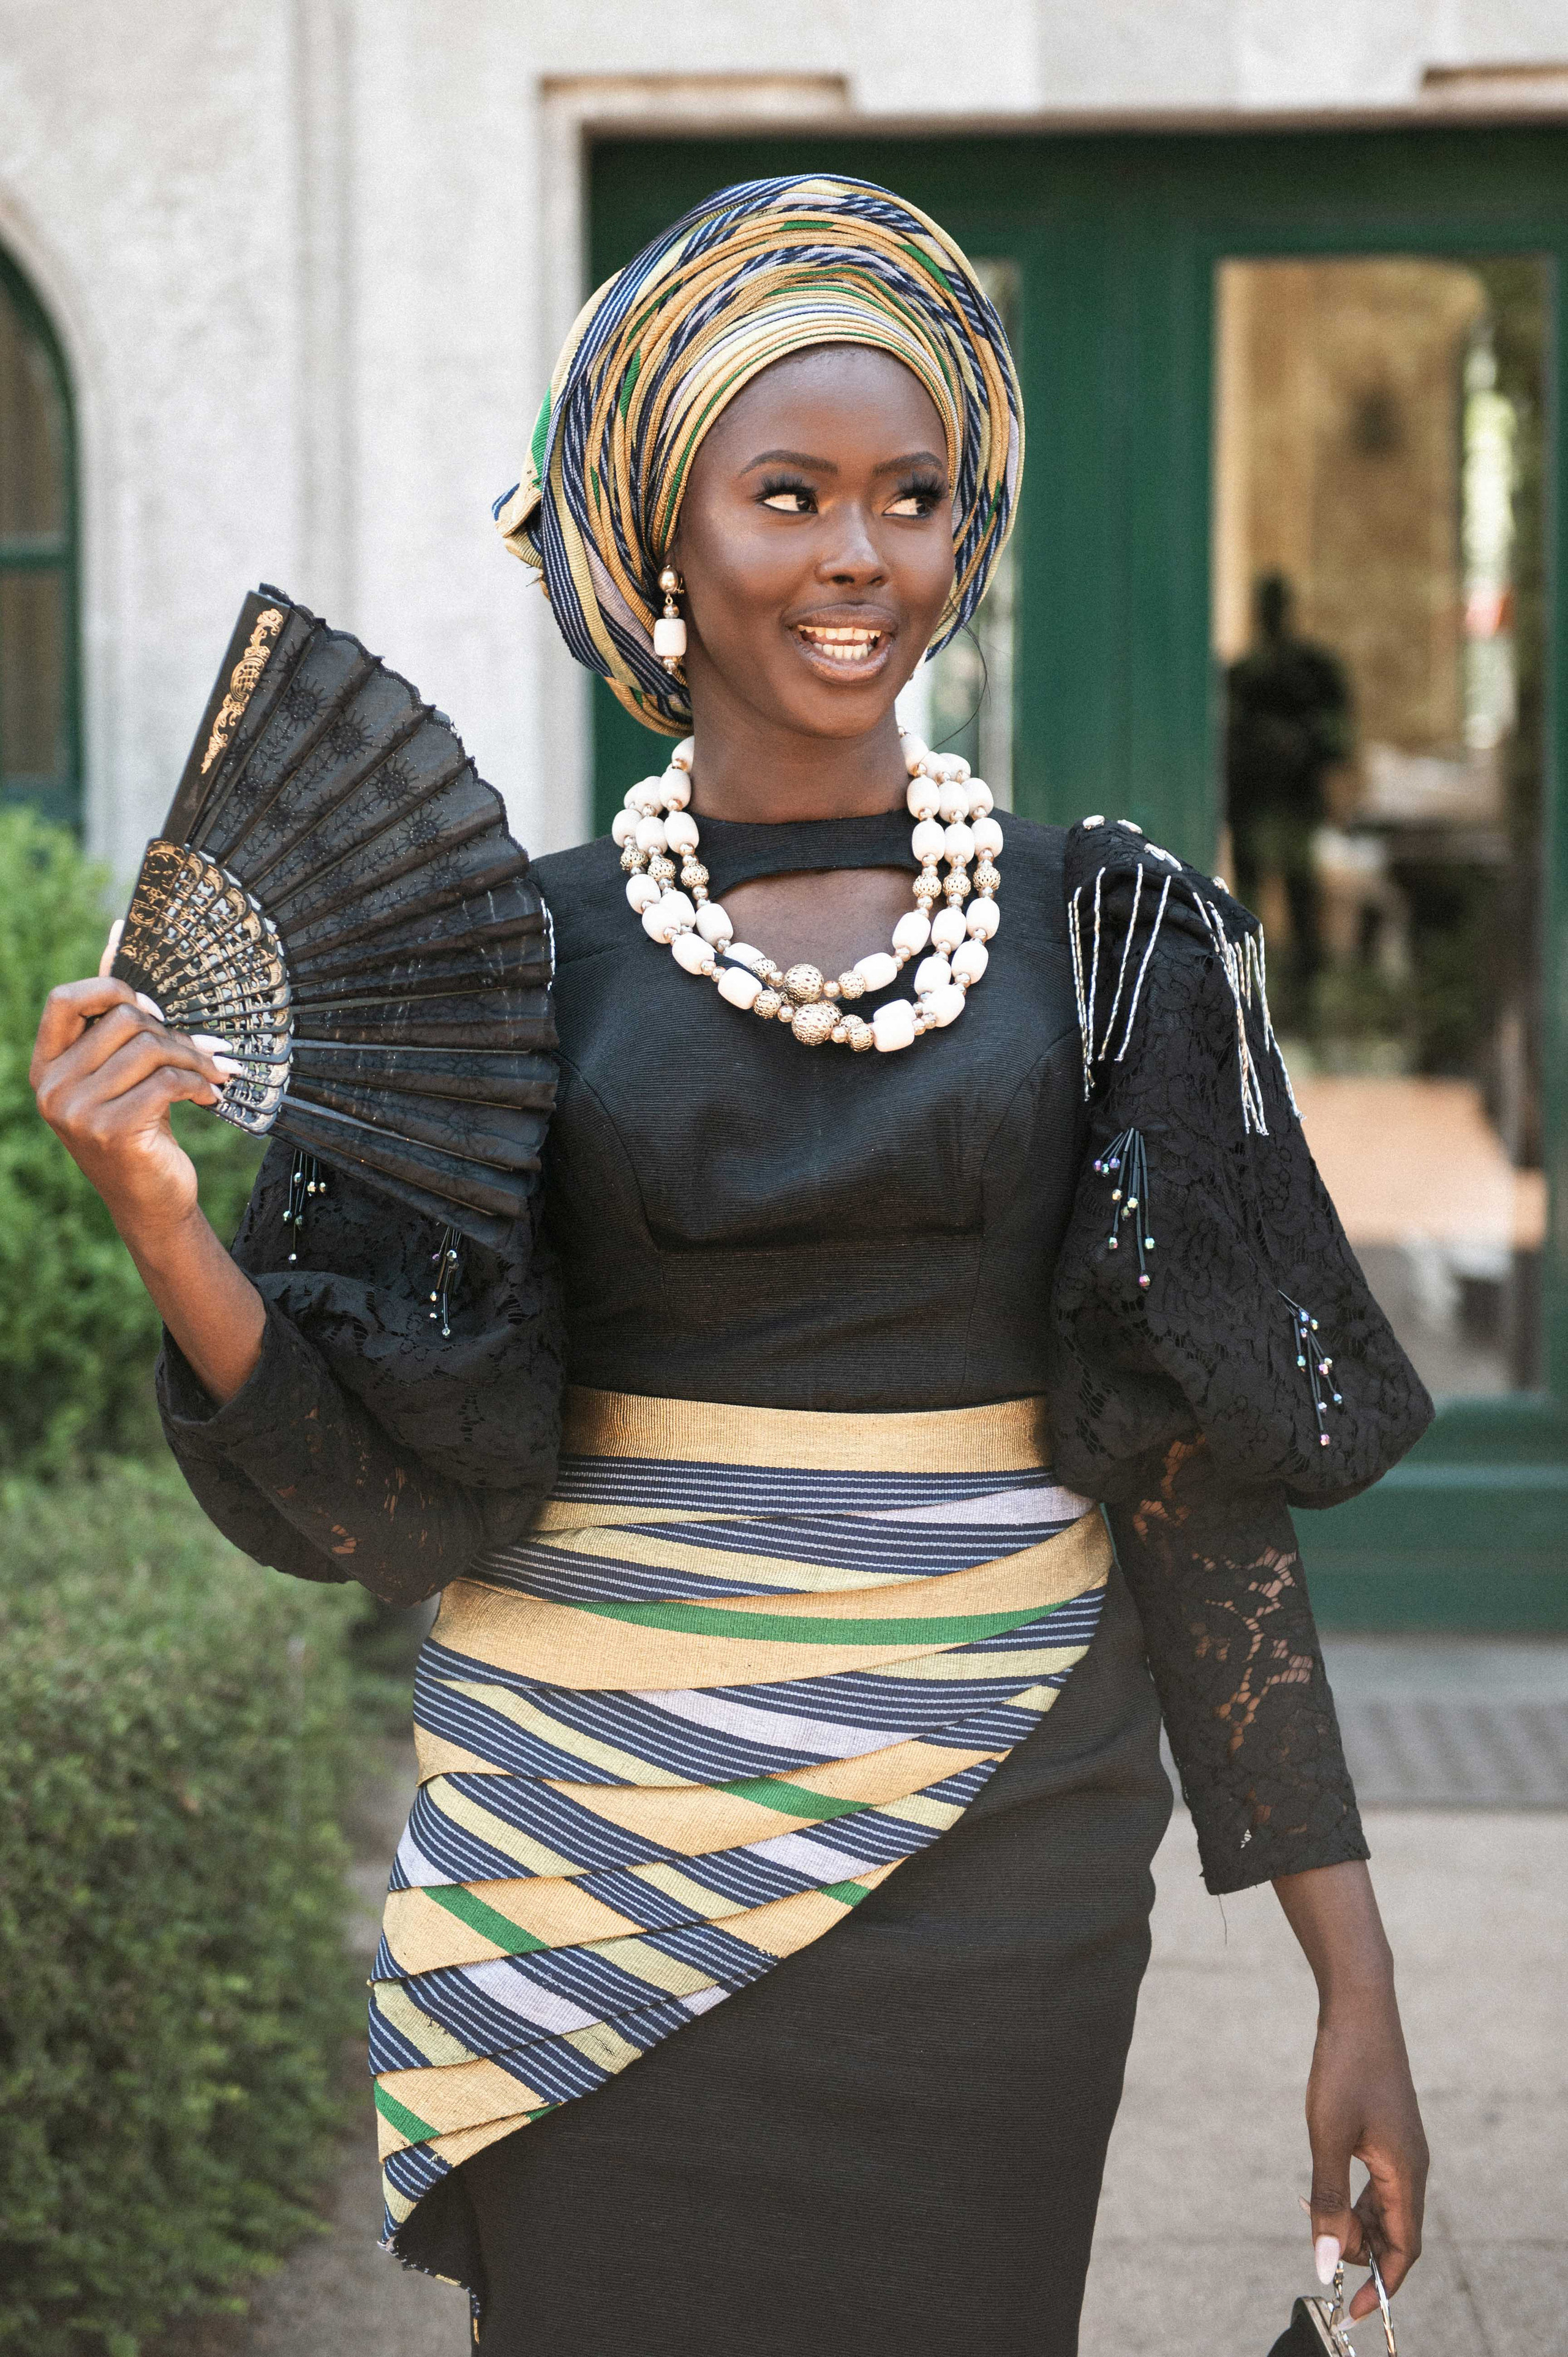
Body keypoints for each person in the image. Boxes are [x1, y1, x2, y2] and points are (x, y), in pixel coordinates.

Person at [31, 177, 1431, 2355]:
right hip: (581, 1851)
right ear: (658, 542)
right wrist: (158, 1212)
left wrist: (1352, 1980)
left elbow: (1198, 1492)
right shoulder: (519, 957)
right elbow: (392, 1499)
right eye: (786, 495)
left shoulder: (1108, 939)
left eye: (910, 496)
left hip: (996, 1851)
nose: (858, 553)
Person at [1225, 570, 1354, 1001]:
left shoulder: (1313, 672)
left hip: (1294, 804)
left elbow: (1337, 738)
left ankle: (1303, 996)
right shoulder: (1243, 676)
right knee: (1251, 906)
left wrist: (1298, 743)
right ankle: (1254, 994)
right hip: (1255, 804)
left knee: (1301, 903)